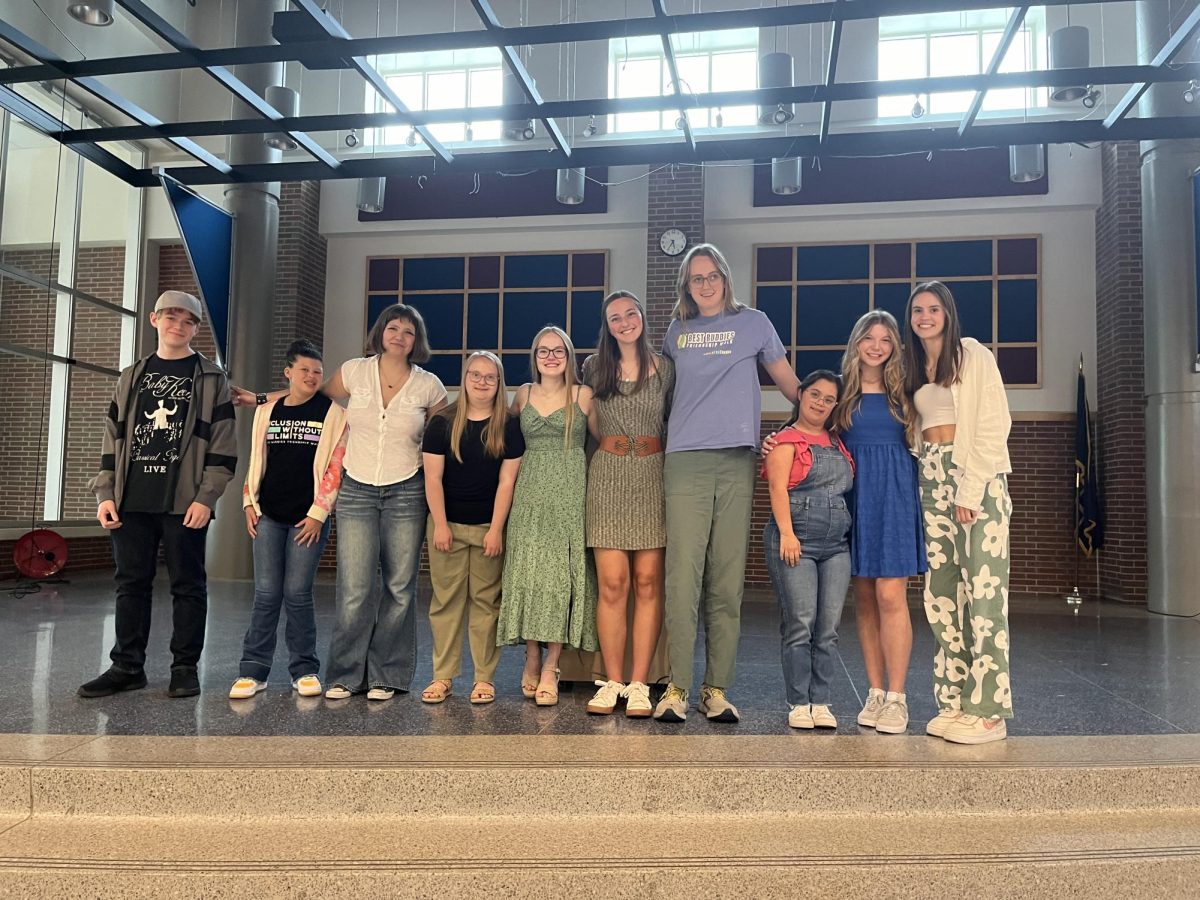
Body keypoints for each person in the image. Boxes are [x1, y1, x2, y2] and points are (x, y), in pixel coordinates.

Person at [233, 303, 447, 701]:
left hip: (407, 490)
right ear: (380, 333)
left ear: (417, 341)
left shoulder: (429, 385)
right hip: (357, 491)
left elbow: (443, 440)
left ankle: (388, 675)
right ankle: (346, 675)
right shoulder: (354, 371)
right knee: (354, 587)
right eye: (393, 328)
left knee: (400, 588)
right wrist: (261, 398)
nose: (399, 336)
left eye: (408, 332)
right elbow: (308, 395)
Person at [655, 243, 801, 724]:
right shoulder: (676, 331)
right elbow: (659, 394)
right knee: (682, 576)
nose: (706, 283)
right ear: (686, 286)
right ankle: (675, 685)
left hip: (737, 460)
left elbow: (789, 385)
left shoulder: (755, 323)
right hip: (685, 459)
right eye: (696, 278)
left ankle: (714, 687)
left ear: (725, 277)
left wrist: (816, 423)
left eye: (713, 274)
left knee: (726, 577)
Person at [78, 290, 237, 699]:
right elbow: (111, 437)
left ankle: (184, 667)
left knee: (188, 584)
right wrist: (105, 493)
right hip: (131, 499)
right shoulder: (131, 376)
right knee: (130, 584)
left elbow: (223, 443)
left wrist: (207, 498)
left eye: (187, 321)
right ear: (154, 320)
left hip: (185, 501)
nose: (178, 326)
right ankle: (127, 666)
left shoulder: (211, 378)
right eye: (171, 317)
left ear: (196, 329)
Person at [905, 281, 1013, 745]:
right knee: (943, 594)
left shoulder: (972, 355)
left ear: (947, 313)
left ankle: (988, 710)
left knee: (984, 594)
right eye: (916, 309)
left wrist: (970, 488)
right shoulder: (912, 366)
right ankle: (953, 699)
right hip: (930, 476)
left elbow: (994, 423)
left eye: (933, 308)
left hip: (976, 477)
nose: (924, 316)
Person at [230, 340, 347, 701]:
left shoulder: (333, 413)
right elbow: (256, 458)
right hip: (268, 515)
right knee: (266, 594)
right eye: (304, 370)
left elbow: (336, 466)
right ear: (288, 373)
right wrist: (249, 501)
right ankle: (253, 671)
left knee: (297, 594)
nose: (312, 376)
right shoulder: (268, 411)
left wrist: (318, 514)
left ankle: (304, 669)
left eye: (317, 371)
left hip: (307, 519)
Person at [581, 291, 675, 718]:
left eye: (631, 314)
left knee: (648, 583)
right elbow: (592, 426)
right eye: (615, 318)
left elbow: (676, 422)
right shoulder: (593, 367)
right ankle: (612, 682)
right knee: (613, 584)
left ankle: (639, 685)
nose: (624, 322)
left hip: (653, 475)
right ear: (607, 325)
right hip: (609, 475)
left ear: (642, 317)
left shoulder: (666, 369)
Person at [835, 311, 926, 735]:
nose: (876, 346)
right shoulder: (842, 396)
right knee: (866, 599)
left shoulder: (907, 392)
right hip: (856, 497)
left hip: (894, 495)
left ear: (895, 347)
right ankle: (874, 692)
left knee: (892, 595)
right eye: (869, 338)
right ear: (856, 343)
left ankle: (898, 697)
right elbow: (812, 431)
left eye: (886, 339)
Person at [497, 326, 597, 707]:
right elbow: (502, 437)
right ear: (534, 356)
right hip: (529, 491)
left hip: (569, 492)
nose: (551, 356)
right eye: (543, 350)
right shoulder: (522, 394)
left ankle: (553, 662)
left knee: (558, 577)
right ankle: (531, 654)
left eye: (558, 350)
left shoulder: (583, 395)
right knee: (529, 571)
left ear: (569, 356)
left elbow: (603, 440)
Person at [420, 352, 523, 706]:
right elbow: (432, 478)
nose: (482, 382)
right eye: (475, 375)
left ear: (499, 383)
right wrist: (441, 524)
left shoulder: (509, 425)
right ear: (464, 379)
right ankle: (443, 676)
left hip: (487, 527)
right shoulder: (442, 422)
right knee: (445, 602)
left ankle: (484, 678)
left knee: (485, 603)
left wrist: (496, 529)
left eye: (490, 377)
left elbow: (507, 481)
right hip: (446, 525)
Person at [762, 370, 854, 729]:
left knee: (828, 628)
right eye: (815, 394)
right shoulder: (784, 441)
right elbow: (778, 490)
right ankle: (799, 702)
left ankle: (822, 701)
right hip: (795, 541)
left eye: (829, 399)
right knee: (800, 623)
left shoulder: (837, 442)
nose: (820, 403)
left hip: (836, 547)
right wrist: (787, 533)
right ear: (800, 395)